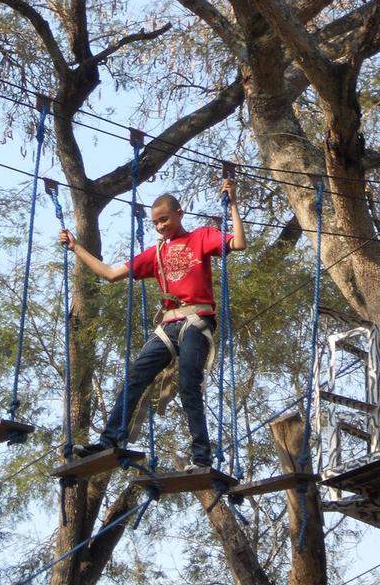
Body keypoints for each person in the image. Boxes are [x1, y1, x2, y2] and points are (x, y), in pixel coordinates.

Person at [58, 179, 246, 471]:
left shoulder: (201, 237)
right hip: (168, 325)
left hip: (196, 321)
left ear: (179, 214)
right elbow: (109, 274)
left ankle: (201, 458)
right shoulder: (155, 253)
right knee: (135, 377)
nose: (160, 226)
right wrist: (76, 248)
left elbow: (238, 243)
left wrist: (232, 202)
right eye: (155, 222)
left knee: (188, 385)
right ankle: (111, 440)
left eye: (164, 220)